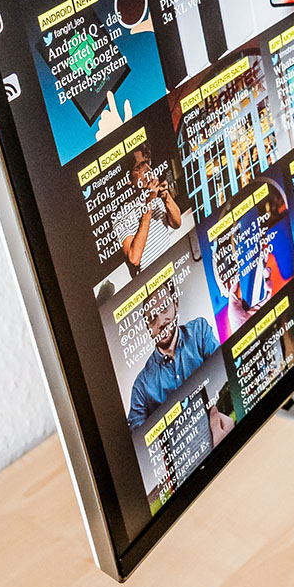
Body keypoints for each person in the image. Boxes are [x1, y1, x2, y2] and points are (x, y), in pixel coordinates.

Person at [126, 284, 219, 429]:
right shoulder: (141, 386)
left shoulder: (199, 331)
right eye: (152, 318)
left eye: (164, 308)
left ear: (176, 304)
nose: (161, 322)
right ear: (147, 327)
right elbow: (138, 435)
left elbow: (223, 370)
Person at [115, 148, 182, 277]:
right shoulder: (121, 216)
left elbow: (177, 223)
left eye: (147, 162)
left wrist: (166, 196)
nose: (148, 168)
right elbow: (134, 258)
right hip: (152, 281)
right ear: (128, 178)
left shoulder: (154, 196)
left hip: (173, 268)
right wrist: (149, 204)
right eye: (140, 167)